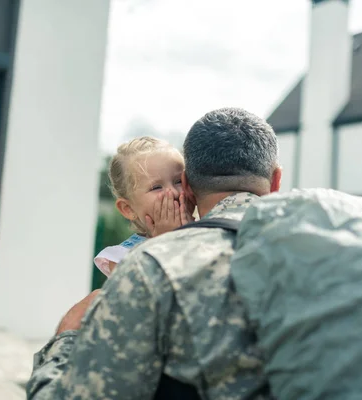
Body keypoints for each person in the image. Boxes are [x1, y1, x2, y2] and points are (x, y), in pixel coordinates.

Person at [27, 107, 282, 399]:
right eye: (157, 187)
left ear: (188, 184)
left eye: (176, 182)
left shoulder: (150, 267)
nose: (171, 194)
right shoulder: (126, 259)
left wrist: (64, 341)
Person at [93, 136, 194, 277]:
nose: (173, 192)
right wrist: (166, 242)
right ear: (128, 209)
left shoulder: (211, 232)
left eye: (178, 181)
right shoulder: (122, 258)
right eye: (157, 187)